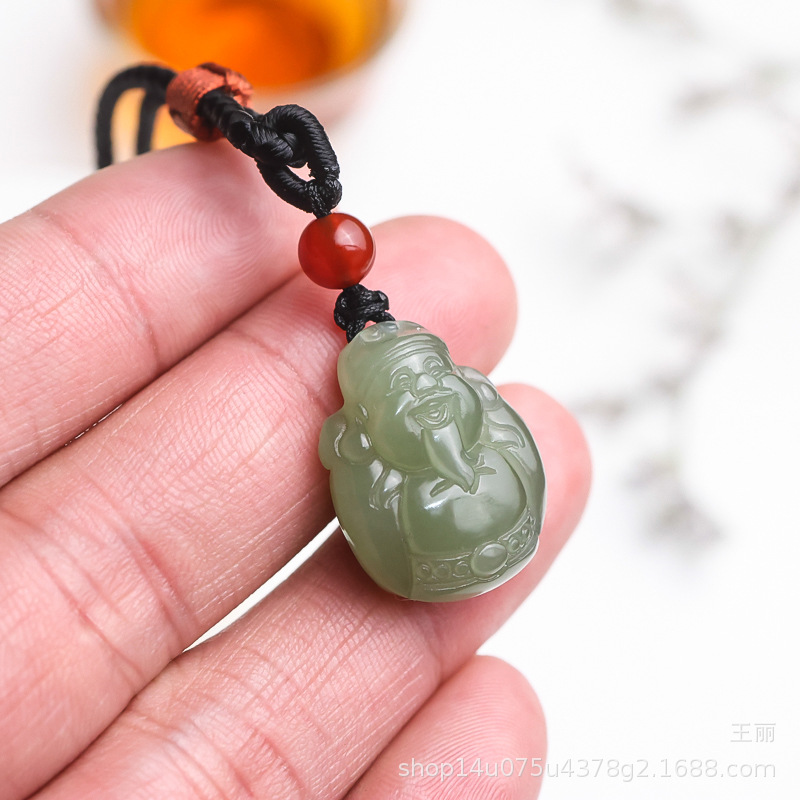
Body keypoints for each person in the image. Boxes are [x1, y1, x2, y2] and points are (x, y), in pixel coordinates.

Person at [0, 140, 591, 799]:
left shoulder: (486, 426)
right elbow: (382, 525)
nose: (428, 397)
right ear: (362, 426)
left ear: (469, 381)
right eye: (401, 394)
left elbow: (512, 450)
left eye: (436, 378)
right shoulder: (376, 468)